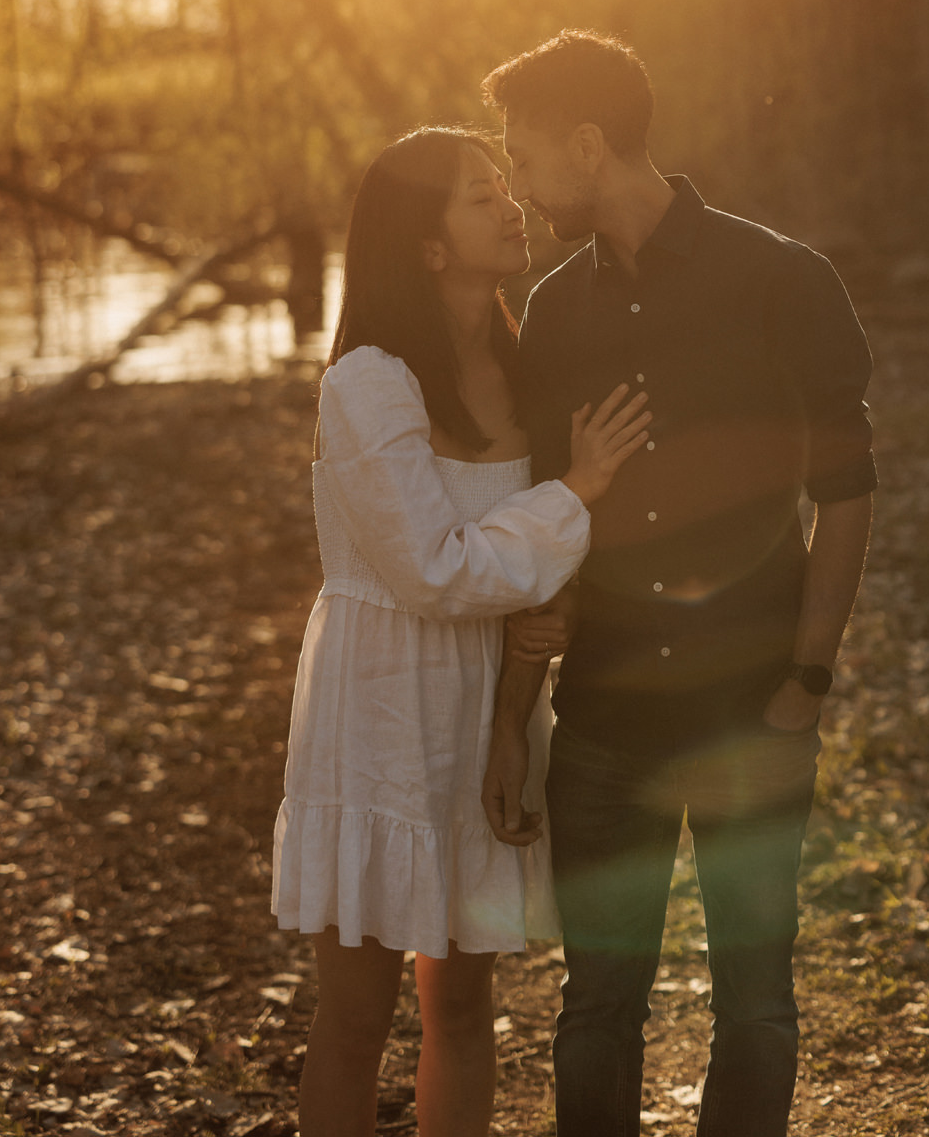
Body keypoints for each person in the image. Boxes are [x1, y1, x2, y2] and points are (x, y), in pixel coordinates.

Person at [479, 32, 877, 1137]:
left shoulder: (783, 280)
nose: (518, 182)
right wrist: (523, 703)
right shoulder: (554, 311)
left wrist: (807, 676)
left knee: (758, 1001)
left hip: (756, 704)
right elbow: (548, 502)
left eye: (524, 154)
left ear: (589, 142)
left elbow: (847, 491)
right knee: (596, 1006)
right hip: (607, 715)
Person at [271, 126, 651, 1137]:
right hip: (381, 703)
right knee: (356, 1018)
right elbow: (433, 567)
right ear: (428, 246)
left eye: (503, 187)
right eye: (482, 197)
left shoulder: (530, 371)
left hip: (488, 700)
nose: (511, 204)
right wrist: (576, 493)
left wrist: (513, 709)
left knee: (464, 1007)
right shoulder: (368, 383)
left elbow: (530, 584)